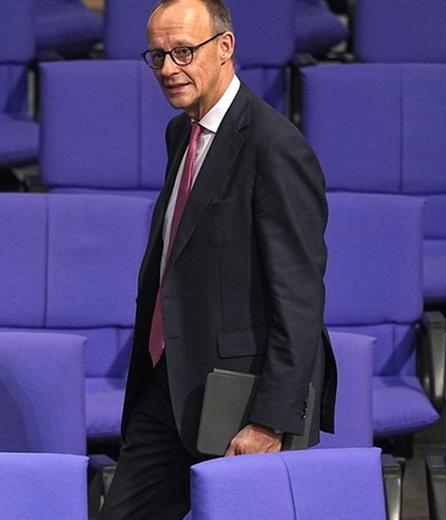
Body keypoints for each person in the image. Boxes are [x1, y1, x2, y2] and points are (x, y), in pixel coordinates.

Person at [97, 0, 338, 518]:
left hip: (240, 402)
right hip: (168, 387)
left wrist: (270, 421)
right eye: (158, 55)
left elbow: (299, 298)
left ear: (225, 47)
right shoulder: (179, 133)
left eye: (183, 52)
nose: (168, 69)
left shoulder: (275, 147)